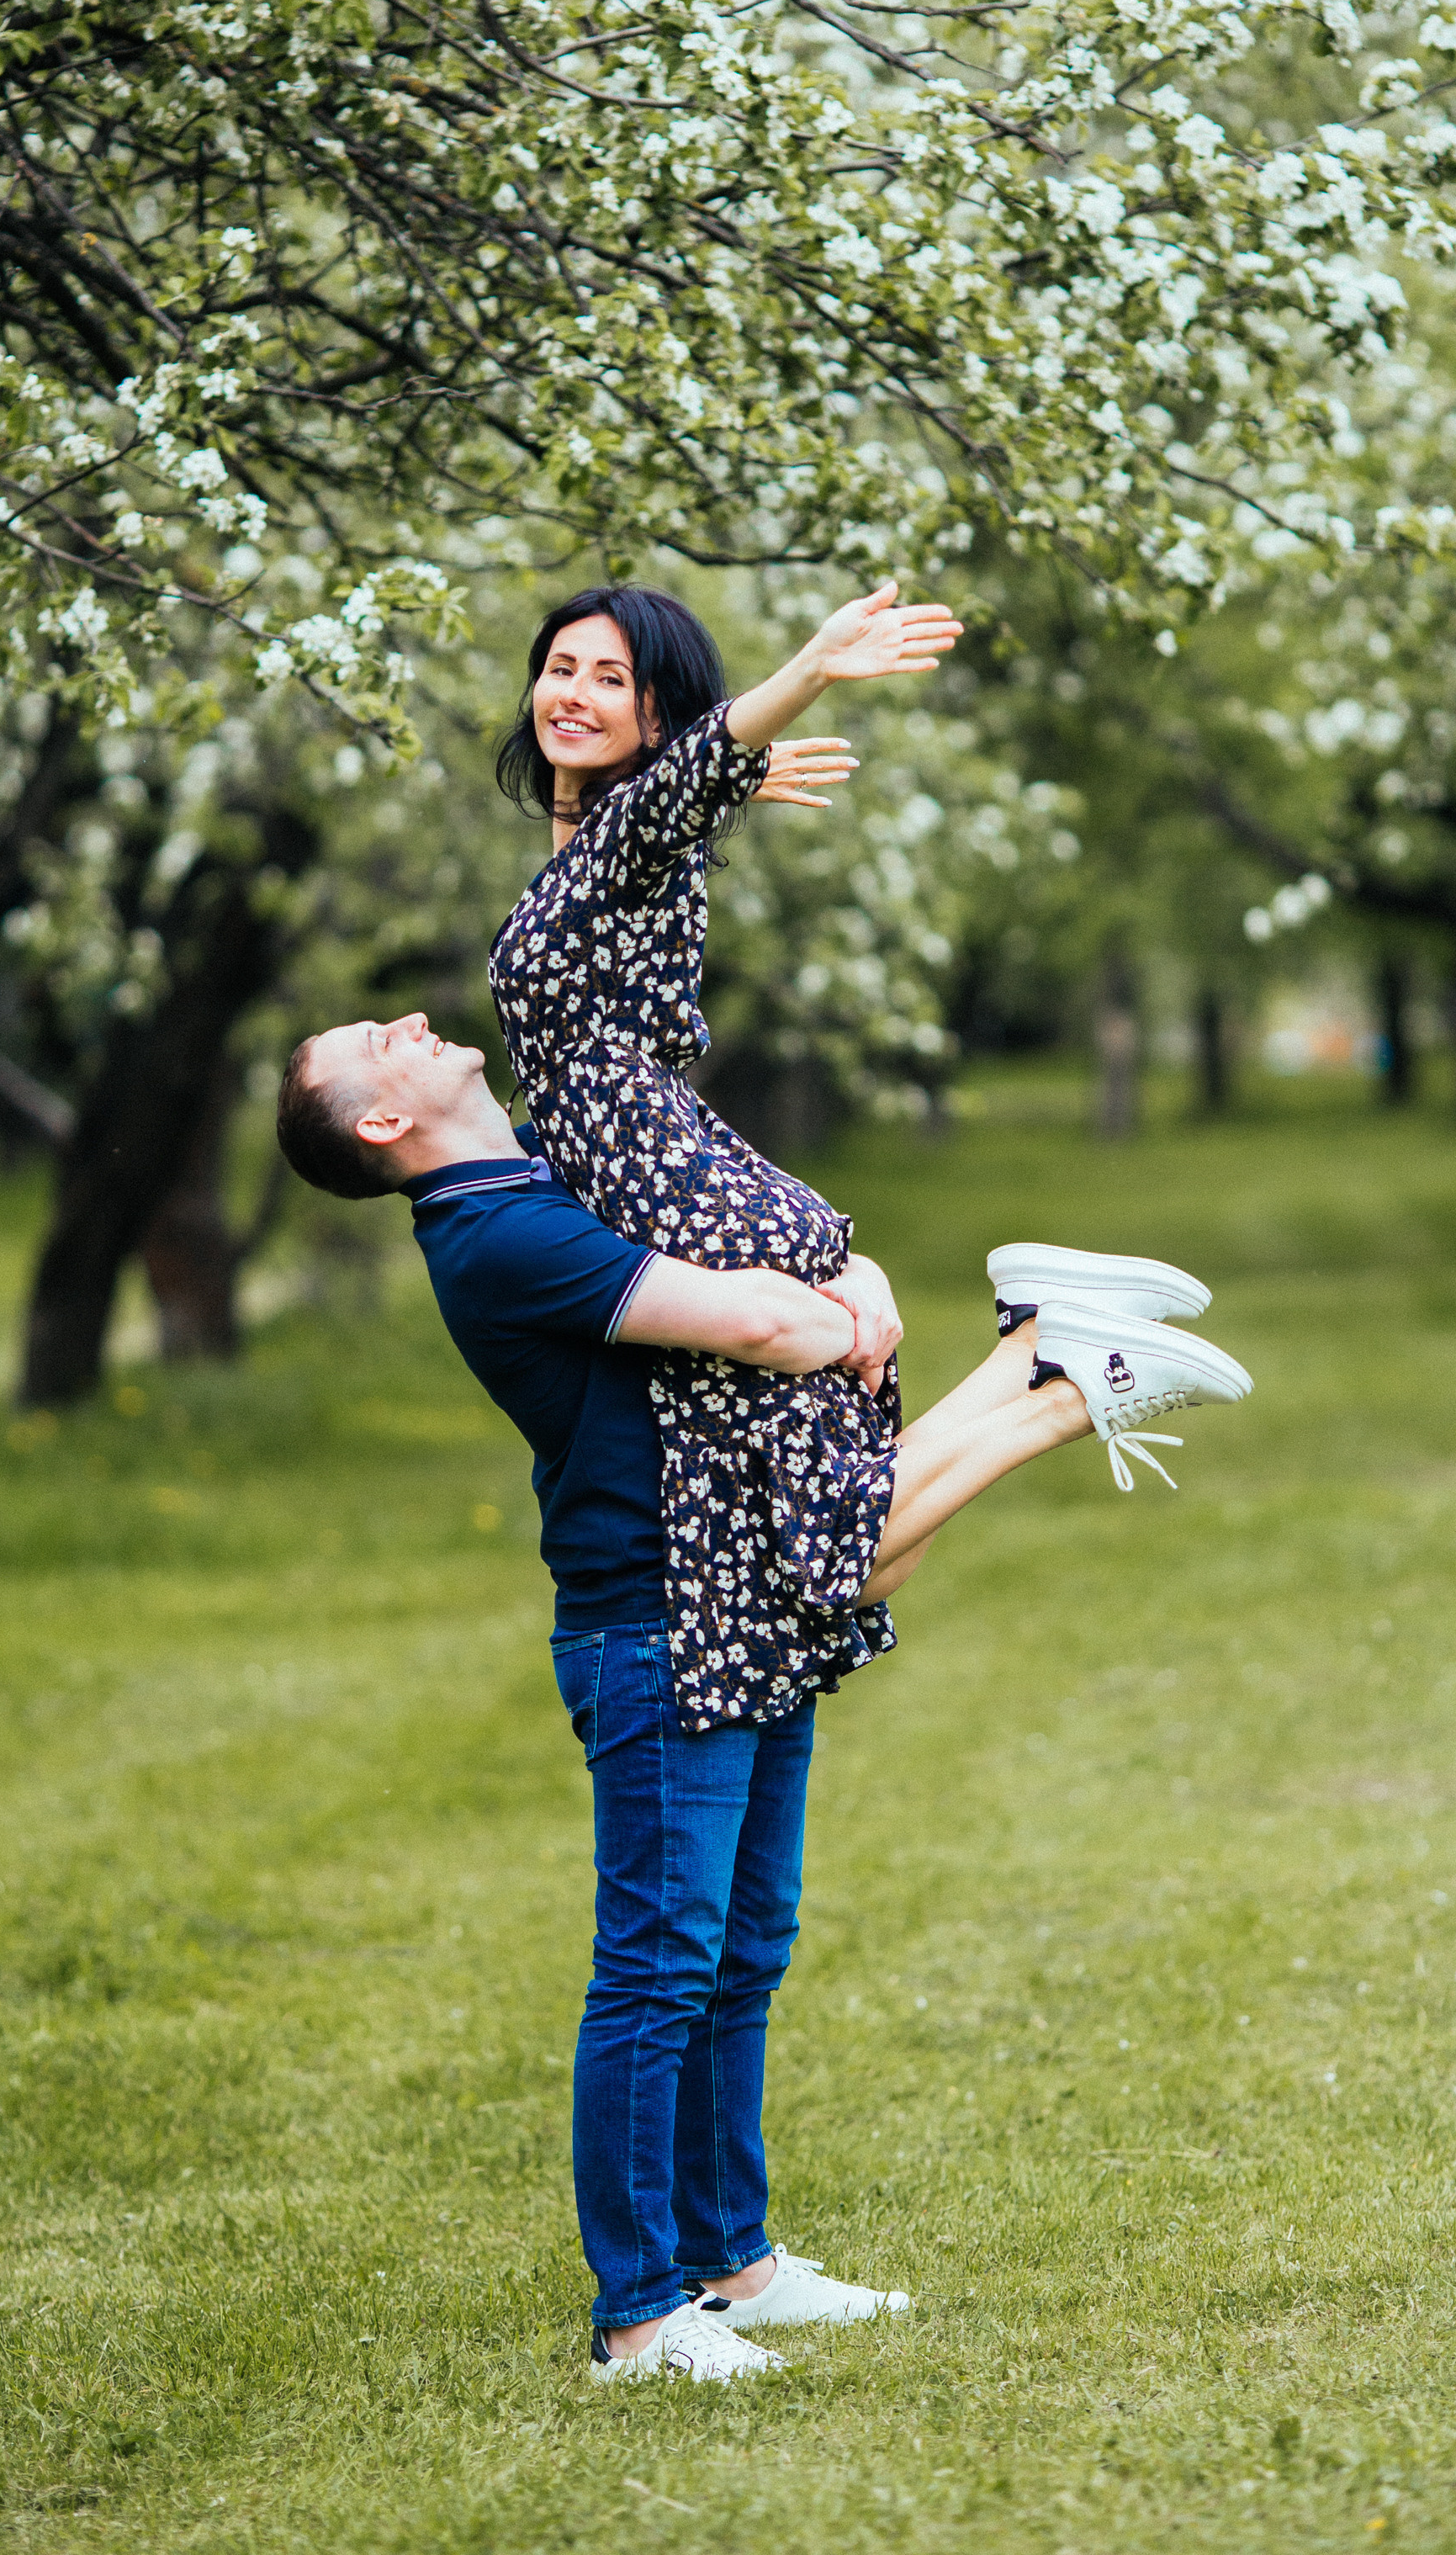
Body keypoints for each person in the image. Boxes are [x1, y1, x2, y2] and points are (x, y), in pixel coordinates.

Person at [276, 1010, 1248, 2379]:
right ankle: (639, 2316)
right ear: (382, 1123)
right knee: (659, 1969)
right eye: (380, 1037)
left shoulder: (545, 1163)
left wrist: (843, 1265)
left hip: (721, 1582)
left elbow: (663, 1103)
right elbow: (749, 1317)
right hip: (658, 1619)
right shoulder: (496, 1236)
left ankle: (731, 2265)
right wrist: (834, 1301)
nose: (417, 1021)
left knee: (744, 1949)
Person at [484, 580, 1252, 1741]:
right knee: (842, 1555)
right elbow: (629, 825)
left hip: (678, 1203)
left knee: (821, 1553)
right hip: (685, 1186)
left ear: (662, 719)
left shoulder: (632, 843)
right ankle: (1046, 1346)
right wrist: (712, 776)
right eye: (561, 668)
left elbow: (673, 792)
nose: (573, 694)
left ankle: (1071, 1379)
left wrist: (799, 680)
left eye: (611, 680)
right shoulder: (603, 850)